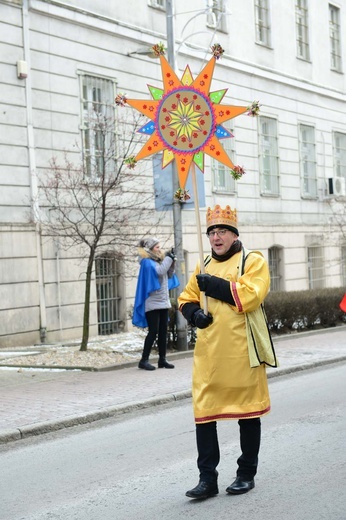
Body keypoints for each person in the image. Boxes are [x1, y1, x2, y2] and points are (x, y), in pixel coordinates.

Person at [178, 205, 278, 499]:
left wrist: (217, 286)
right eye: (211, 232)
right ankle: (207, 479)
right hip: (210, 355)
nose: (216, 237)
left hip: (242, 352)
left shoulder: (253, 260)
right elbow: (186, 298)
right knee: (205, 414)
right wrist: (195, 314)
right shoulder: (203, 263)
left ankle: (246, 473)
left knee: (247, 413)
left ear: (234, 234)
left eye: (222, 231)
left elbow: (251, 295)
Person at [132, 236, 179, 371]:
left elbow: (168, 274)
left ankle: (162, 359)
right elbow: (159, 271)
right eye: (157, 247)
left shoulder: (159, 261)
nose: (160, 249)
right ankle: (144, 360)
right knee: (153, 331)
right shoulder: (147, 262)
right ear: (150, 249)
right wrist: (168, 258)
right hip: (152, 302)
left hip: (163, 301)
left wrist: (172, 262)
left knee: (163, 331)